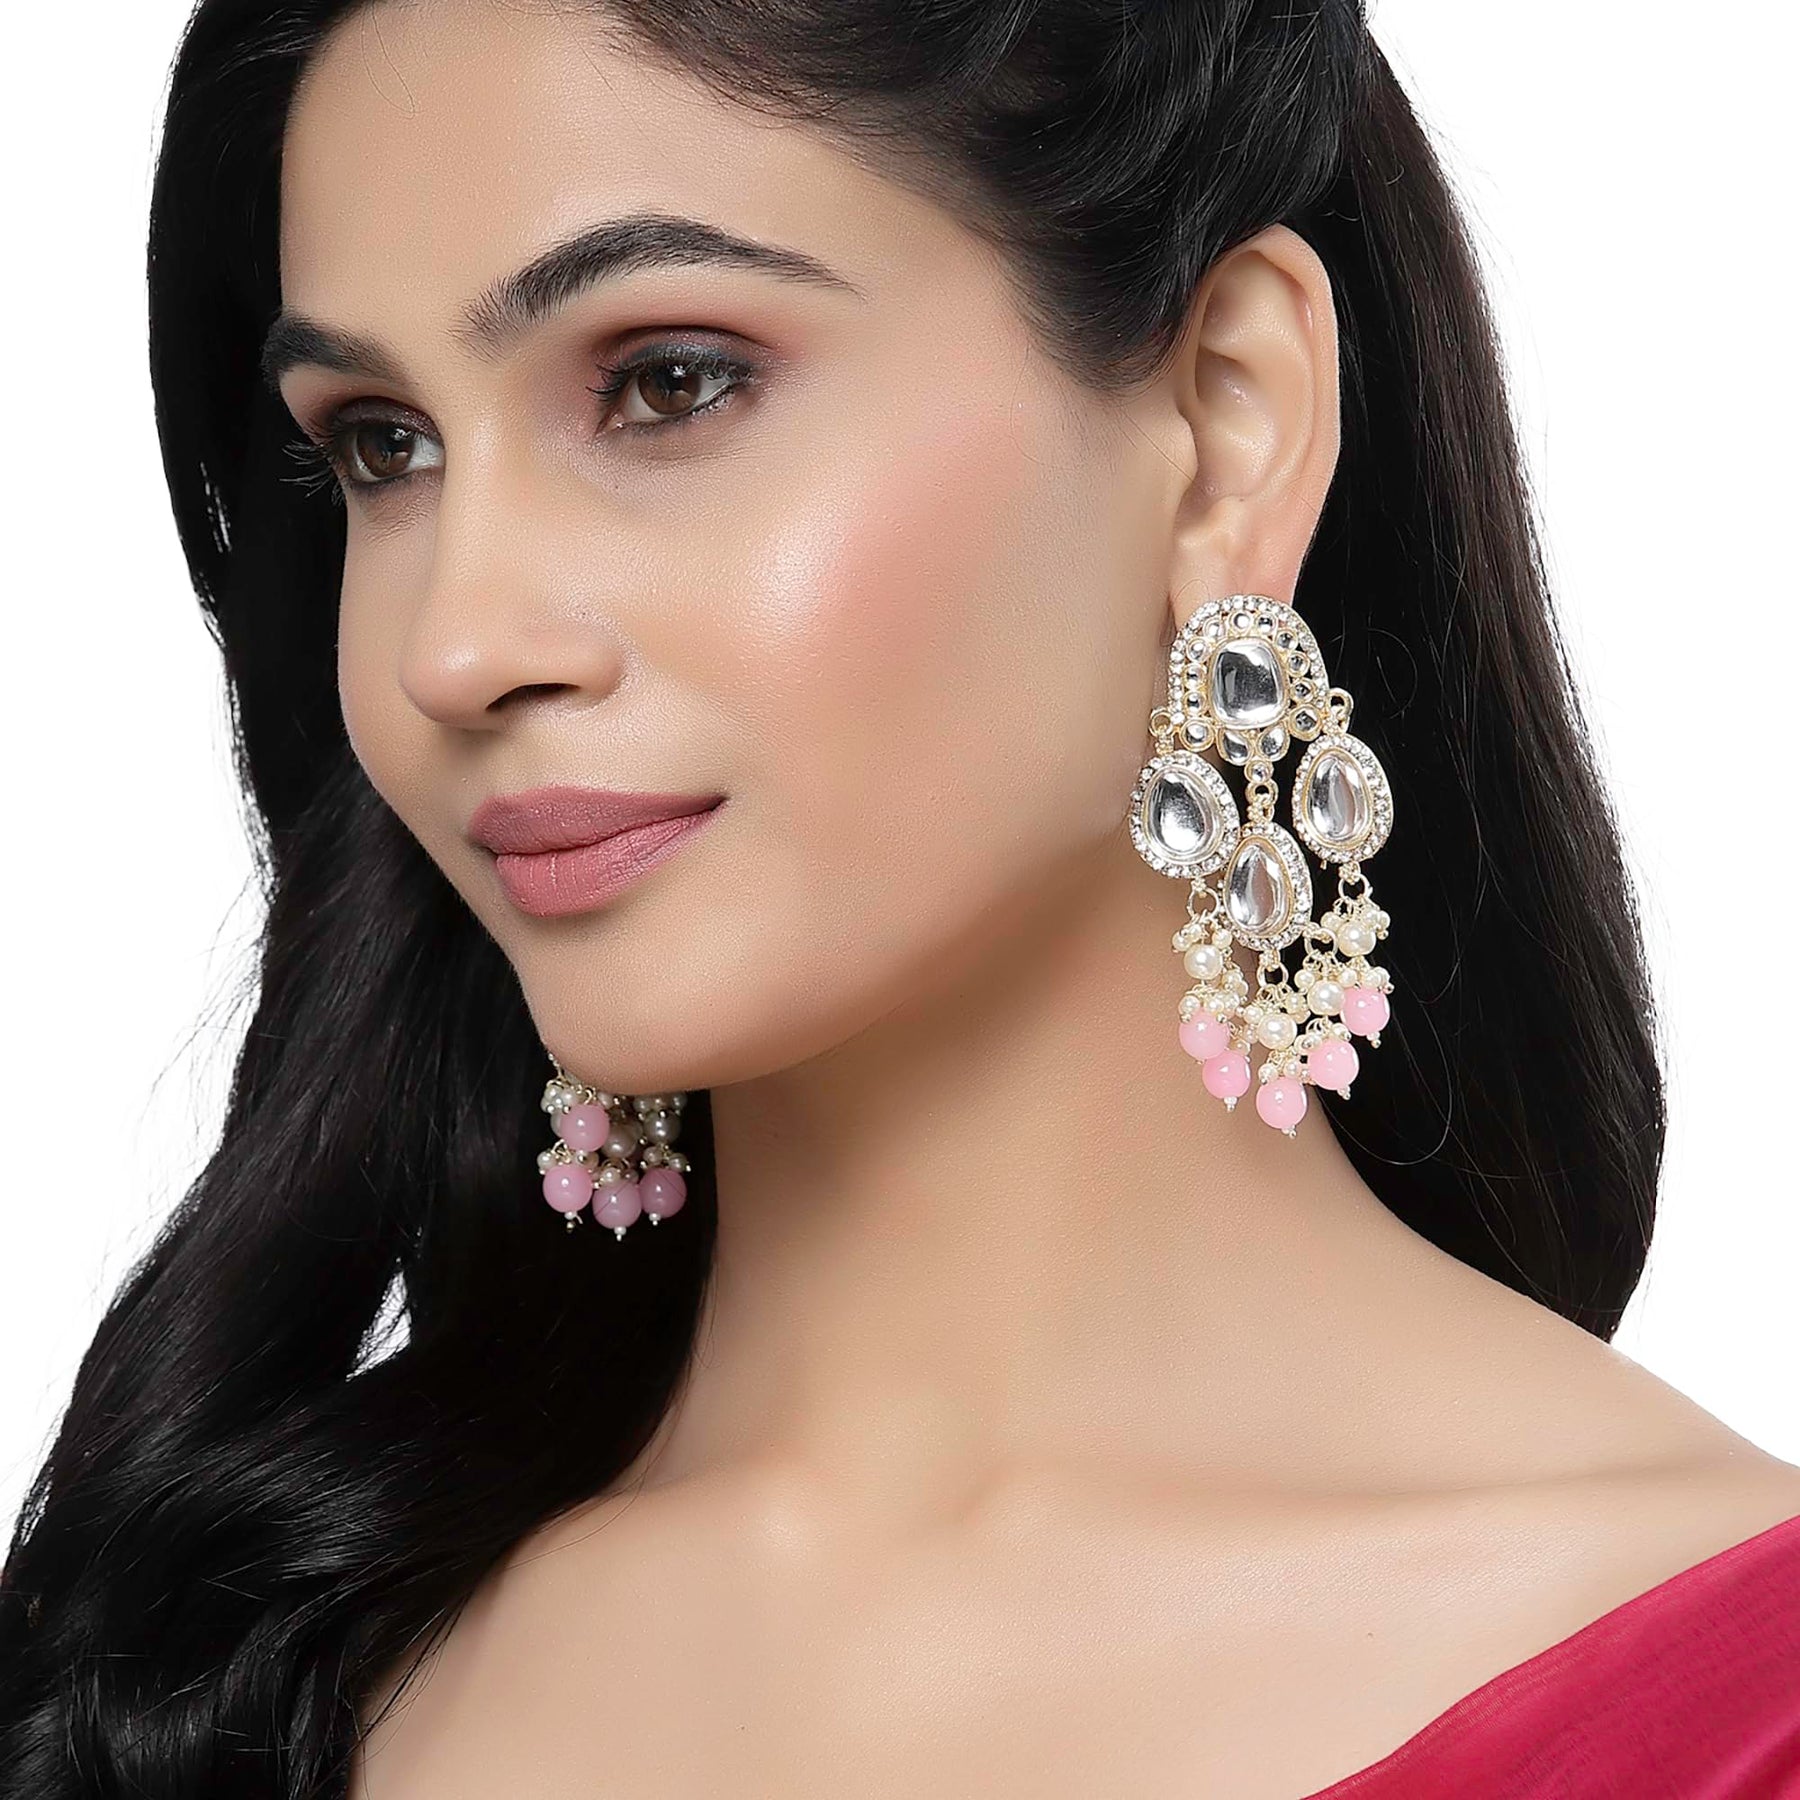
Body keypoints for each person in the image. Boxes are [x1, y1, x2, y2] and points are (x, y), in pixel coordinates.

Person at [3, 1, 1796, 1795]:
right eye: (384, 446)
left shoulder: (1740, 1714)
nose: (454, 647)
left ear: (1224, 425)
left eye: (668, 382)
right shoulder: (207, 1667)